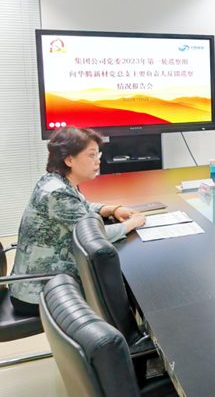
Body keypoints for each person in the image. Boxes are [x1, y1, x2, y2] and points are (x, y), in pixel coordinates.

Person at [9, 127, 146, 316]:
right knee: (120, 288)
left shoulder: (55, 181)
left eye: (98, 154)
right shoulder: (57, 193)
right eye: (91, 155)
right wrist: (132, 223)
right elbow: (94, 238)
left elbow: (81, 206)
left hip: (45, 281)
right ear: (69, 159)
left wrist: (110, 209)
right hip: (39, 291)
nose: (98, 160)